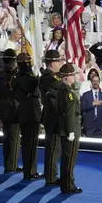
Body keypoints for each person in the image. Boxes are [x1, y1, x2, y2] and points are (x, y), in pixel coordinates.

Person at [12, 53, 43, 180]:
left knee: (26, 143)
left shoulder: (16, 77)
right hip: (32, 112)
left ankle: (27, 170)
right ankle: (31, 171)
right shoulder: (29, 77)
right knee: (31, 144)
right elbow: (39, 83)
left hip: (23, 112)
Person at [39, 50, 65, 185]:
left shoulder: (49, 76)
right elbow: (61, 91)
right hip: (53, 115)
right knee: (53, 147)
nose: (60, 63)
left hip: (51, 115)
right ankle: (51, 177)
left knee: (53, 147)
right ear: (51, 63)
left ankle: (51, 174)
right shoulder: (50, 77)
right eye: (58, 61)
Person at [57, 63, 83, 194]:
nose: (74, 77)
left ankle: (65, 183)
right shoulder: (69, 93)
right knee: (70, 158)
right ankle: (68, 185)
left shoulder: (61, 90)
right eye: (72, 75)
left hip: (64, 128)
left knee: (66, 158)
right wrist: (71, 131)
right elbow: (70, 114)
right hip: (70, 129)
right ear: (66, 77)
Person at [0, 49, 21, 173]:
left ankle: (7, 163)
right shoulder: (14, 75)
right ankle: (12, 165)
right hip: (14, 109)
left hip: (3, 108)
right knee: (14, 138)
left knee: (6, 138)